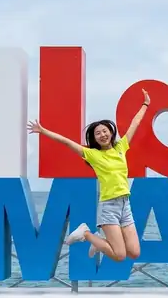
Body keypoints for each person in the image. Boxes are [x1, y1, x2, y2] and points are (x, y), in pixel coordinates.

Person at [26, 89, 151, 262]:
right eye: (97, 133)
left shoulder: (121, 147)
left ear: (111, 132)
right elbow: (66, 142)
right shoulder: (92, 154)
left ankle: (99, 242)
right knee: (120, 256)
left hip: (125, 204)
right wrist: (43, 130)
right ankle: (85, 233)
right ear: (94, 138)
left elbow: (134, 124)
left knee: (135, 252)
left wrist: (145, 104)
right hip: (109, 206)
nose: (102, 135)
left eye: (104, 131)